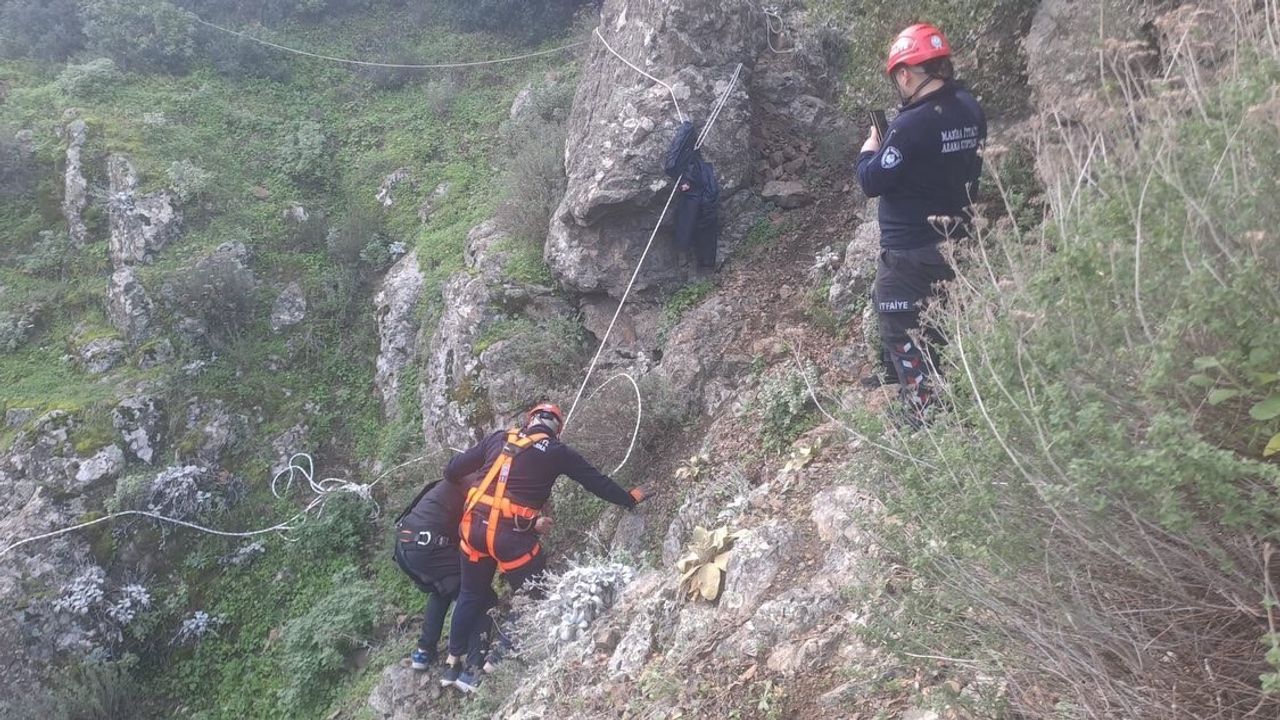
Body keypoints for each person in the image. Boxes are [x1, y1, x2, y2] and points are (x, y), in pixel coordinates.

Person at [440, 402, 646, 692]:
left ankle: (452, 664)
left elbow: (452, 470)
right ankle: (487, 668)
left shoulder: (500, 437)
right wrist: (629, 498)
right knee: (535, 593)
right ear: (557, 429)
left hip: (472, 530)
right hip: (510, 539)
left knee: (470, 593)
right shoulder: (556, 452)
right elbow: (596, 482)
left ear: (530, 420)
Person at [856, 22, 987, 426]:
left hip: (909, 253)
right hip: (955, 243)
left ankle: (926, 421)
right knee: (943, 330)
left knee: (903, 334)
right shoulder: (970, 108)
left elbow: (871, 180)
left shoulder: (909, 126)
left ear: (906, 74)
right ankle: (954, 402)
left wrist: (870, 147)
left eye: (898, 78)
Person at [392, 475, 495, 673]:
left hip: (405, 549)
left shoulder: (447, 481)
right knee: (481, 595)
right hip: (428, 548)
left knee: (443, 589)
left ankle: (424, 650)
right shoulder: (477, 486)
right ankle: (474, 666)